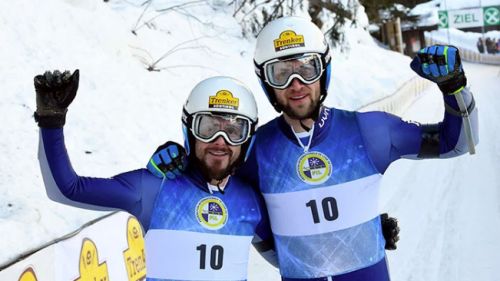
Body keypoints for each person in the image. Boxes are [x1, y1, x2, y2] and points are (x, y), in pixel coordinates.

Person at [147, 16, 478, 281]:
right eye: (281, 73)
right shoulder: (252, 152)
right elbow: (204, 199)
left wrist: (454, 87)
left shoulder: (369, 131)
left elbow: (456, 143)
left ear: (325, 70)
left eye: (307, 68)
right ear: (266, 82)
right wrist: (173, 168)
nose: (296, 84)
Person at [34, 72, 276, 280]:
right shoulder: (152, 187)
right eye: (208, 128)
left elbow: (294, 257)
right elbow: (66, 189)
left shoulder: (250, 200)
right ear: (189, 130)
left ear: (248, 138)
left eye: (235, 130)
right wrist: (51, 121)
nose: (220, 141)